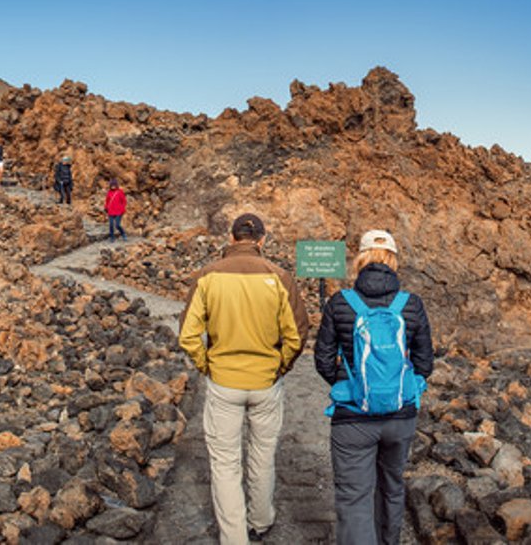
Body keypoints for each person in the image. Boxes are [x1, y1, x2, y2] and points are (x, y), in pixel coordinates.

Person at [178, 213, 307, 545]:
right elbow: (296, 335)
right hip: (266, 383)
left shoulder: (207, 276)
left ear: (231, 238)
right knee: (263, 454)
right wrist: (279, 367)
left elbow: (189, 335)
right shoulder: (280, 277)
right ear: (262, 240)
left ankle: (234, 538)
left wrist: (208, 366)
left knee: (224, 462)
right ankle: (261, 520)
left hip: (224, 383)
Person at [314, 230, 434, 545]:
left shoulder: (340, 303)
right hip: (400, 415)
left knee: (354, 496)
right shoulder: (412, 304)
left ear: (361, 259)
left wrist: (350, 385)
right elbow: (424, 364)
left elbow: (323, 360)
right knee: (392, 487)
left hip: (352, 419)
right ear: (393, 260)